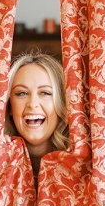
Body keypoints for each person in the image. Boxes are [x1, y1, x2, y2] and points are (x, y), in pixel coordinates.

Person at [5, 52, 69, 183]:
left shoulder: (77, 164)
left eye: (45, 93)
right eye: (21, 93)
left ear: (61, 103)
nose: (32, 104)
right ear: (10, 106)